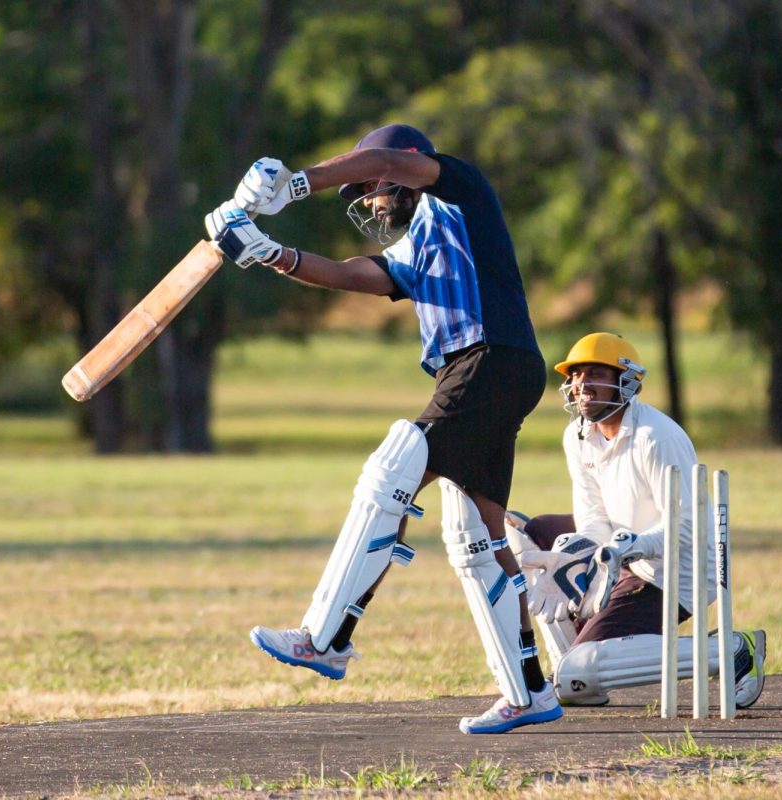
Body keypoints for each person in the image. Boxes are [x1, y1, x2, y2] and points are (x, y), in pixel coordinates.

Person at [202, 123, 560, 733]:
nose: (369, 200)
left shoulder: (458, 191)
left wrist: (296, 184)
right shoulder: (414, 246)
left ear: (401, 168)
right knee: (476, 537)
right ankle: (528, 692)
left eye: (370, 186)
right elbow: (350, 275)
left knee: (393, 469)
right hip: (487, 368)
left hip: (490, 357)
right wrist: (269, 252)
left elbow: (390, 158)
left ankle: (325, 636)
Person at [504, 332, 766, 707]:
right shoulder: (576, 436)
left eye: (594, 373)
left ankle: (732, 650)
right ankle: (572, 668)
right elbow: (593, 518)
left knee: (579, 674)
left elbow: (688, 527)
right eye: (576, 375)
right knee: (530, 533)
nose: (581, 384)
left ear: (624, 381)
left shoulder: (655, 437)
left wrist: (630, 548)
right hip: (623, 551)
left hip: (675, 574)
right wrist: (581, 552)